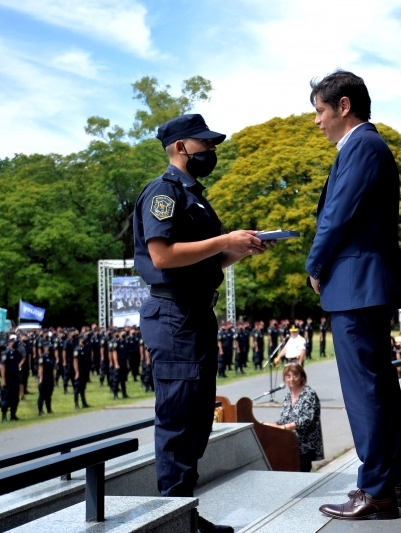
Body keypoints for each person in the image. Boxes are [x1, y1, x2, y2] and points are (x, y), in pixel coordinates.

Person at [134, 113, 268, 533]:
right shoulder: (164, 193)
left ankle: (184, 516)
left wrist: (237, 250)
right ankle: (174, 522)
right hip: (174, 317)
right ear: (180, 148)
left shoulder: (194, 195)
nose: (211, 152)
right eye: (204, 145)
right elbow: (163, 256)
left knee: (195, 421)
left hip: (193, 315)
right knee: (178, 422)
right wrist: (224, 240)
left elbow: (206, 259)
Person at [306, 71, 401, 520]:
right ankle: (395, 483)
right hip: (365, 286)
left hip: (355, 287)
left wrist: (315, 265)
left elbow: (337, 214)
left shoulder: (362, 146)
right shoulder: (366, 146)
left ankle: (375, 489)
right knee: (381, 389)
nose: (317, 121)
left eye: (320, 111)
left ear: (344, 106)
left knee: (365, 392)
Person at [261, 363, 324, 472]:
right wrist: (269, 425)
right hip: (288, 444)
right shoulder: (287, 396)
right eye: (288, 376)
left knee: (302, 476)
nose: (292, 379)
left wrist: (283, 428)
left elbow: (306, 419)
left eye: (295, 375)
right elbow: (284, 420)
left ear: (302, 377)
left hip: (304, 446)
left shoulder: (309, 394)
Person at [0, 337, 22, 422]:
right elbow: (3, 367)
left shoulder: (17, 353)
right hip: (8, 379)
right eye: (14, 343)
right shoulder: (6, 353)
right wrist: (3, 380)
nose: (15, 344)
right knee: (6, 398)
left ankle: (13, 415)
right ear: (9, 343)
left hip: (16, 377)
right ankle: (4, 416)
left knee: (15, 398)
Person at [72, 334, 92, 409]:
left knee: (83, 388)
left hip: (85, 370)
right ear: (80, 339)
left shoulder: (86, 348)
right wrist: (77, 372)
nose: (85, 340)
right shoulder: (77, 349)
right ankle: (76, 404)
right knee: (77, 388)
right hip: (79, 370)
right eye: (83, 339)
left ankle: (84, 403)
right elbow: (75, 361)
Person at [37, 342, 55, 416]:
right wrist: (41, 379)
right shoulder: (42, 357)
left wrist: (53, 378)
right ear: (45, 347)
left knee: (49, 394)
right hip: (44, 377)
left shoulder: (51, 356)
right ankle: (40, 410)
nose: (50, 348)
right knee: (42, 395)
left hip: (50, 376)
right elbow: (40, 368)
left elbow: (52, 368)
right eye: (48, 347)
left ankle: (49, 409)